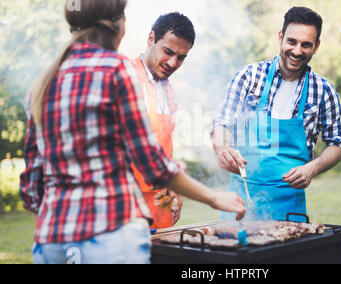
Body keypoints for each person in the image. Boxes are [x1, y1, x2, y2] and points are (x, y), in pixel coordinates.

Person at [20, 0, 245, 264]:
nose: (173, 62)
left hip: (51, 241)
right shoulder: (118, 70)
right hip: (110, 236)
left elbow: (32, 183)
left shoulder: (45, 80)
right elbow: (152, 163)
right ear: (119, 26)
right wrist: (215, 197)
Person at [211, 7, 341, 222]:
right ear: (280, 37)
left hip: (289, 207)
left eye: (306, 44)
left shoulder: (324, 90)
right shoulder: (249, 76)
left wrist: (312, 168)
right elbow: (222, 122)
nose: (297, 51)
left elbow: (338, 144)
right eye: (291, 41)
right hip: (239, 202)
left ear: (316, 46)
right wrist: (221, 146)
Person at [130, 12, 195, 229]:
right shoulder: (127, 79)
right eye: (168, 52)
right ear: (151, 38)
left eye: (181, 57)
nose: (172, 63)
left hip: (161, 205)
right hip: (130, 207)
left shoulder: (166, 87)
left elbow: (164, 146)